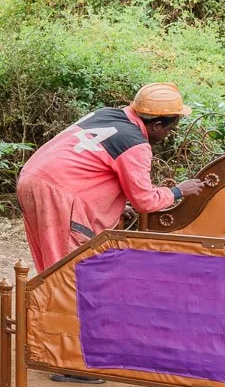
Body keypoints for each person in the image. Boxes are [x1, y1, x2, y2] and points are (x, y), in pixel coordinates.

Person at [16, 82, 206, 273]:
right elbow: (145, 201)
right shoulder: (134, 144)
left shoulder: (107, 114)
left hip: (31, 177)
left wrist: (117, 207)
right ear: (157, 125)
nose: (168, 135)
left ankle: (47, 302)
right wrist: (178, 191)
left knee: (49, 263)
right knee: (69, 270)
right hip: (57, 191)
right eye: (169, 129)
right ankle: (62, 303)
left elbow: (91, 167)